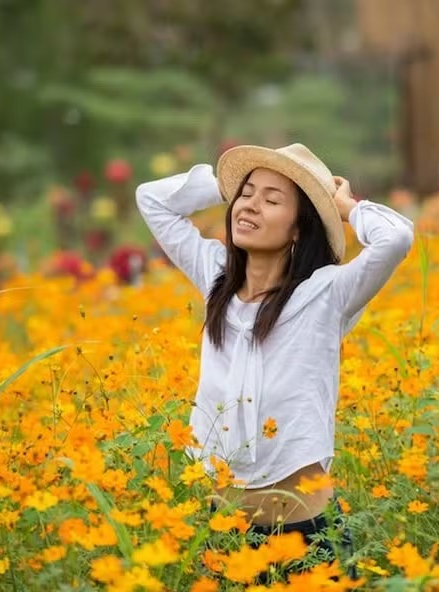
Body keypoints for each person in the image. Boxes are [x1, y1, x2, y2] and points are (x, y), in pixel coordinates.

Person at [135, 143, 414, 574]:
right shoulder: (215, 278)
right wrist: (228, 183)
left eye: (271, 200)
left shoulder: (327, 295)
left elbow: (395, 238)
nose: (250, 206)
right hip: (227, 539)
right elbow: (151, 199)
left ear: (299, 228)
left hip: (308, 539)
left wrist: (341, 205)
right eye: (246, 194)